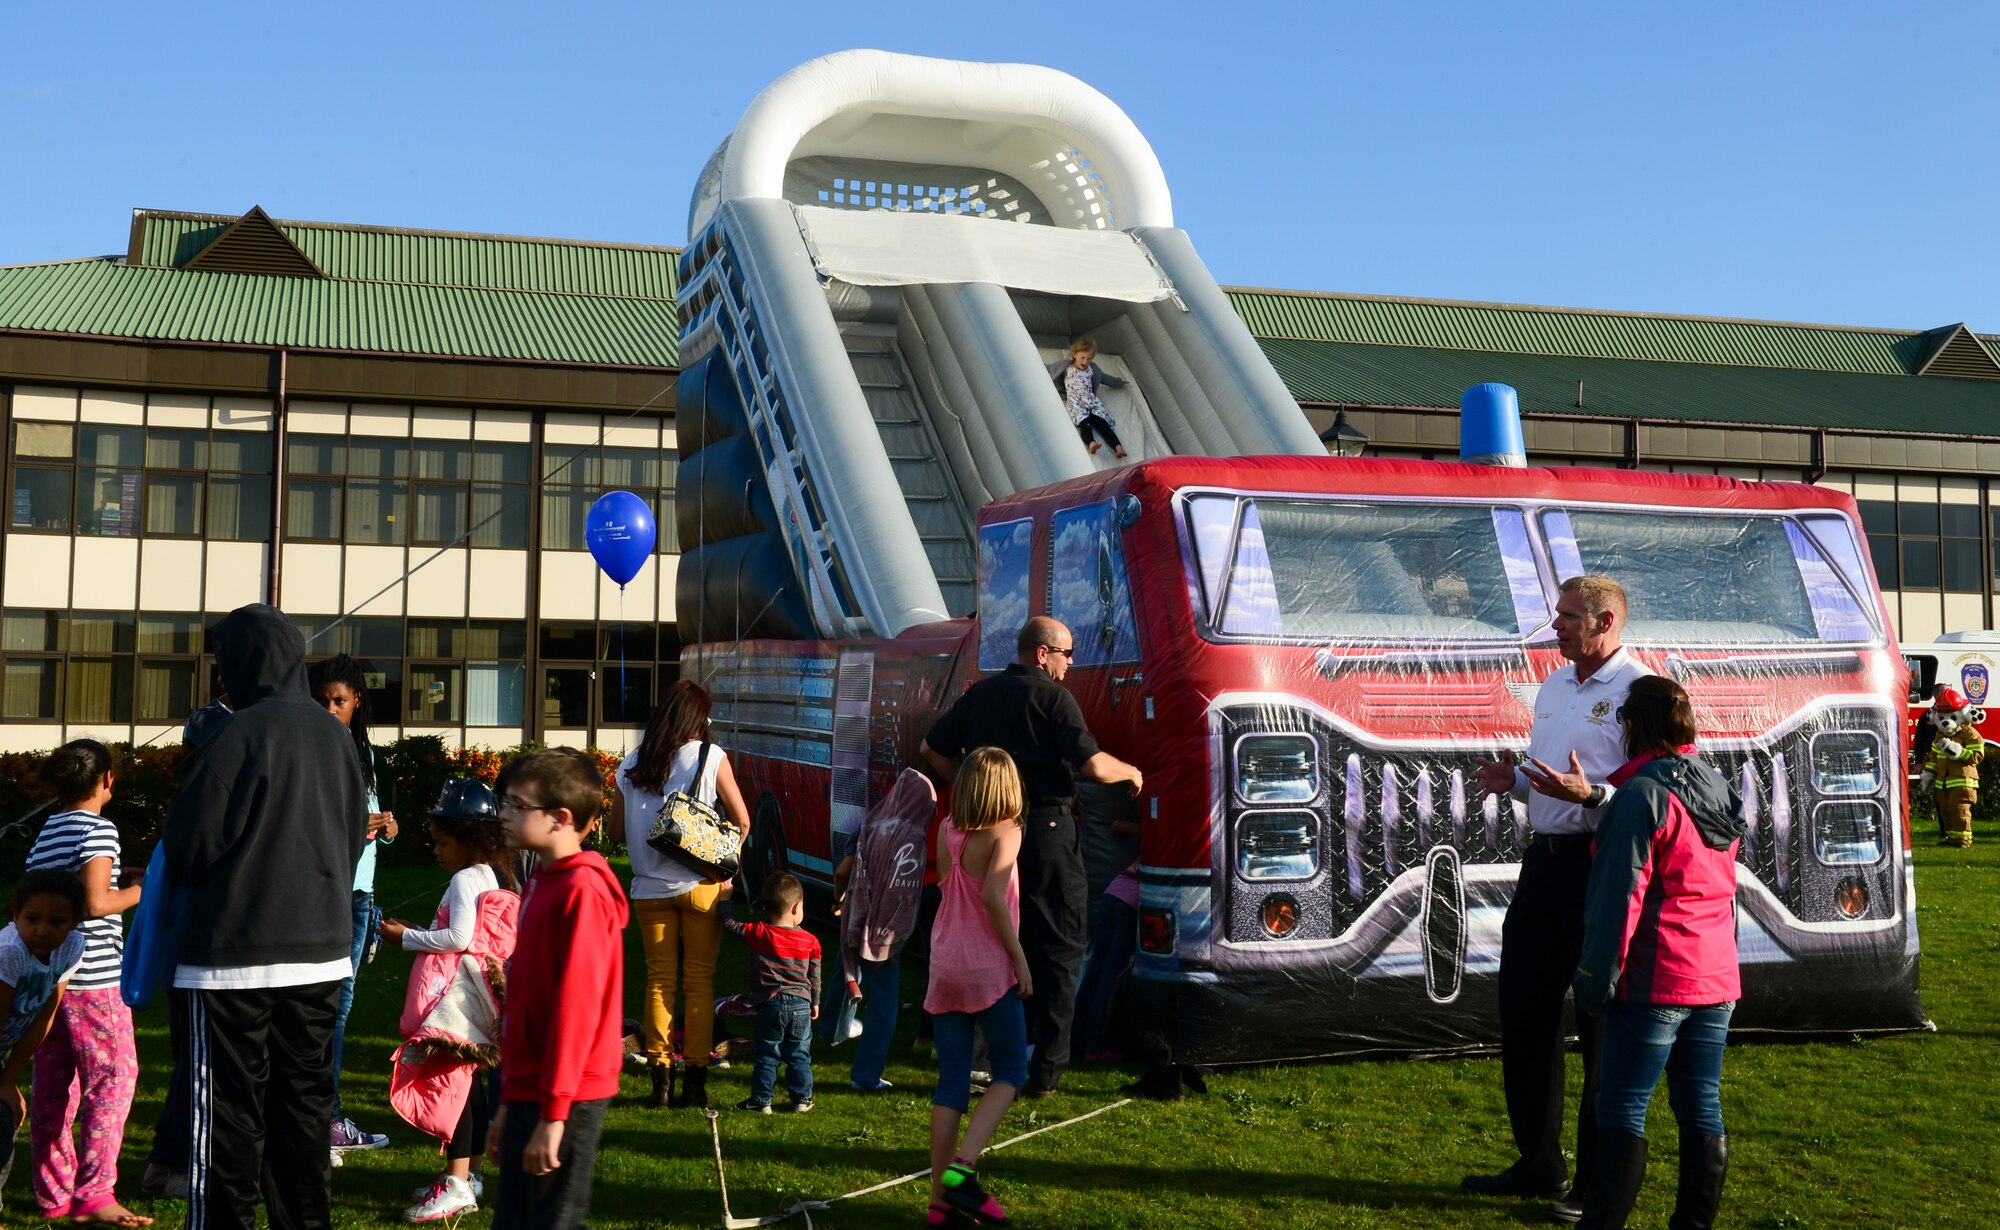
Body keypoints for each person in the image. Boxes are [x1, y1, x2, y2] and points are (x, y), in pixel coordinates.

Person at [164, 603, 369, 1230]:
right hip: (321, 953)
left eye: (225, 662)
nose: (222, 678)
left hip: (231, 959)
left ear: (247, 662)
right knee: (303, 1114)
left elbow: (190, 848)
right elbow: (354, 834)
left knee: (227, 1116)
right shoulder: (336, 735)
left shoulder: (236, 734)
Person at [1463, 575, 1652, 1223]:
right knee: (1524, 1013)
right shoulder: (1553, 684)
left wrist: (1593, 798)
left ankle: (1593, 1188)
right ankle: (1539, 1162)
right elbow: (1557, 783)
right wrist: (1514, 780)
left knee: (1600, 1028)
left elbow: (1662, 796)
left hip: (1604, 871)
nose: (1556, 626)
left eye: (1568, 617)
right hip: (1542, 866)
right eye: (1557, 615)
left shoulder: (1643, 693)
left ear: (1605, 622)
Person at [921, 615, 1143, 1097]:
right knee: (1061, 945)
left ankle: (993, 1057)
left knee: (993, 936)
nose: (1071, 664)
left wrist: (972, 787)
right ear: (1042, 654)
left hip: (990, 828)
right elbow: (1092, 765)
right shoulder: (1052, 697)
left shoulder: (980, 695)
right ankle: (1046, 1071)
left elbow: (930, 747)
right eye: (1067, 654)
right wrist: (1132, 772)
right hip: (1045, 830)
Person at [1571, 676, 1743, 1230]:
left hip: (1658, 975)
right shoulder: (1718, 784)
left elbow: (1619, 896)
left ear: (1632, 725)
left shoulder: (1644, 794)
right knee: (1701, 1104)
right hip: (1716, 974)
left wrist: (1596, 978)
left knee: (1620, 1105)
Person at [488, 749, 628, 1230]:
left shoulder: (582, 894)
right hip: (533, 1083)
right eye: (505, 801)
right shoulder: (543, 881)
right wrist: (508, 1102)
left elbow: (576, 1012)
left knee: (553, 1221)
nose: (503, 814)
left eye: (517, 805)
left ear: (561, 819)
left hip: (569, 1094)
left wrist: (554, 1115)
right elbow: (526, 1000)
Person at [23, 741, 152, 1227]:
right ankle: (96, 1193)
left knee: (55, 1086)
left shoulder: (48, 831)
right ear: (107, 781)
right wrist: (143, 890)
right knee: (113, 1079)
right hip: (95, 983)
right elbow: (96, 903)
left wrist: (123, 878)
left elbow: (70, 890)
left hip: (50, 980)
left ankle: (53, 1195)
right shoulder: (100, 829)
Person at [607, 680, 752, 1110]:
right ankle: (695, 1080)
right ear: (698, 719)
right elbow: (742, 820)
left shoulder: (633, 762)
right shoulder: (711, 757)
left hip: (648, 890)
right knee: (699, 982)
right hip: (701, 887)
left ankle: (660, 1081)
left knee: (658, 983)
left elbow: (615, 833)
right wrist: (725, 865)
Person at [382, 780, 520, 1224]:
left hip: (456, 1001)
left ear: (469, 839)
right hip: (479, 993)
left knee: (453, 1089)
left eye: (443, 843)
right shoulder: (493, 872)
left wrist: (407, 937)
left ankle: (457, 1185)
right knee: (472, 1085)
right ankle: (470, 1173)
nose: (437, 851)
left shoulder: (465, 878)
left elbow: (459, 937)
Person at [924, 749, 1033, 1228]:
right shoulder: (1007, 831)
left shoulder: (949, 828)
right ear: (1007, 788)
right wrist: (1020, 957)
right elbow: (992, 895)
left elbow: (950, 886)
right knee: (1011, 1070)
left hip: (945, 959)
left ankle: (939, 1204)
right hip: (985, 966)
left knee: (952, 1079)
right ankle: (963, 1170)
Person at [308, 653, 399, 1158]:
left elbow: (368, 821)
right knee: (330, 1010)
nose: (329, 709)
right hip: (329, 890)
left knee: (338, 1007)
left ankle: (325, 1116)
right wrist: (357, 823)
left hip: (359, 892)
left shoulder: (361, 748)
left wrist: (385, 828)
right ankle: (325, 1118)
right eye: (321, 700)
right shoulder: (315, 746)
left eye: (338, 701)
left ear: (356, 702)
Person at [825, 767, 935, 1092]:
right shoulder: (912, 837)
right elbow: (900, 894)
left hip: (855, 916)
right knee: (885, 1007)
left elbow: (844, 869)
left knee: (843, 972)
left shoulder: (871, 821)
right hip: (882, 930)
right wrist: (891, 936)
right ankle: (866, 1075)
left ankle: (830, 1031)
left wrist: (839, 899)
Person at [0, 870, 88, 1222]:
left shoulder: (70, 947)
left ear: (73, 923)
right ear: (15, 916)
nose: (43, 930)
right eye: (32, 919)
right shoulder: (9, 953)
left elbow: (43, 1017)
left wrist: (7, 1079)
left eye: (56, 921)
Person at [720, 874, 821, 1114]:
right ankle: (802, 1099)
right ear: (797, 907)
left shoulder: (760, 933)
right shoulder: (811, 941)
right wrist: (815, 1001)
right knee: (799, 1053)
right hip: (801, 1005)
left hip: (769, 1003)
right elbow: (814, 976)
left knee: (768, 1052)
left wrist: (725, 901)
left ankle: (762, 1100)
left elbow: (730, 926)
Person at [1050, 337, 1128, 459]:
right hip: (1076, 403)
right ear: (1075, 354)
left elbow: (1105, 378)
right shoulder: (1066, 368)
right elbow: (1049, 369)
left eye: (1089, 358)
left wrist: (1119, 382)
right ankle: (1091, 444)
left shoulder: (1092, 369)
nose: (1086, 361)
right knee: (1085, 424)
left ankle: (1118, 448)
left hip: (1091, 401)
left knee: (1103, 424)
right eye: (1083, 357)